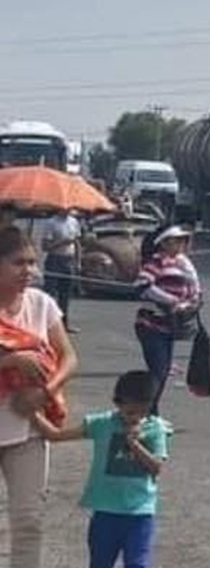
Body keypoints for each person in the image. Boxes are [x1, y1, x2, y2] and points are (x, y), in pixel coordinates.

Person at [33, 370, 170, 568]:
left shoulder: (155, 429)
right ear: (118, 404)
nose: (136, 417)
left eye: (143, 411)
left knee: (137, 563)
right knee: (100, 562)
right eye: (130, 412)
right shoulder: (102, 423)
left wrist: (136, 446)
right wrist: (32, 413)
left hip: (140, 512)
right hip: (106, 510)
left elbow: (156, 467)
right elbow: (56, 436)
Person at [0, 225, 79, 568]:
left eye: (32, 262)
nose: (29, 271)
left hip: (28, 428)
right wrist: (11, 361)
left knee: (29, 520)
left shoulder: (42, 304)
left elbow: (70, 357)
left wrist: (45, 392)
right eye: (19, 262)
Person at [134, 226, 200, 416]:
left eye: (182, 241)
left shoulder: (181, 263)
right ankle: (149, 413)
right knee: (159, 372)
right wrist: (171, 300)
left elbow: (193, 287)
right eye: (176, 240)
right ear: (164, 243)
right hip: (151, 325)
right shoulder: (157, 262)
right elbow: (142, 286)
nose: (181, 244)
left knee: (161, 373)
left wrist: (190, 301)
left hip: (169, 326)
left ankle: (149, 412)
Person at [40, 209, 81, 334]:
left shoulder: (73, 221)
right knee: (50, 294)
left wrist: (78, 261)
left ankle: (63, 324)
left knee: (66, 295)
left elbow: (77, 242)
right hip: (55, 259)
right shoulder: (51, 223)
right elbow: (45, 246)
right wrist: (62, 242)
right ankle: (45, 324)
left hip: (68, 259)